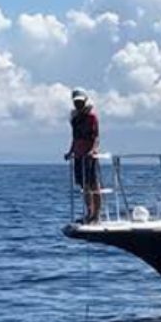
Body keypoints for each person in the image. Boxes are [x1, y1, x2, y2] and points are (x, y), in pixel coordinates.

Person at [64, 88, 101, 223]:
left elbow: (95, 136)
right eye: (76, 102)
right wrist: (71, 152)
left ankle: (96, 214)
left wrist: (93, 150)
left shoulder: (92, 117)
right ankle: (89, 213)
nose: (78, 104)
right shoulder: (75, 119)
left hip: (89, 155)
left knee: (93, 184)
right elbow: (75, 138)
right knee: (84, 185)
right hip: (79, 155)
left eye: (80, 101)